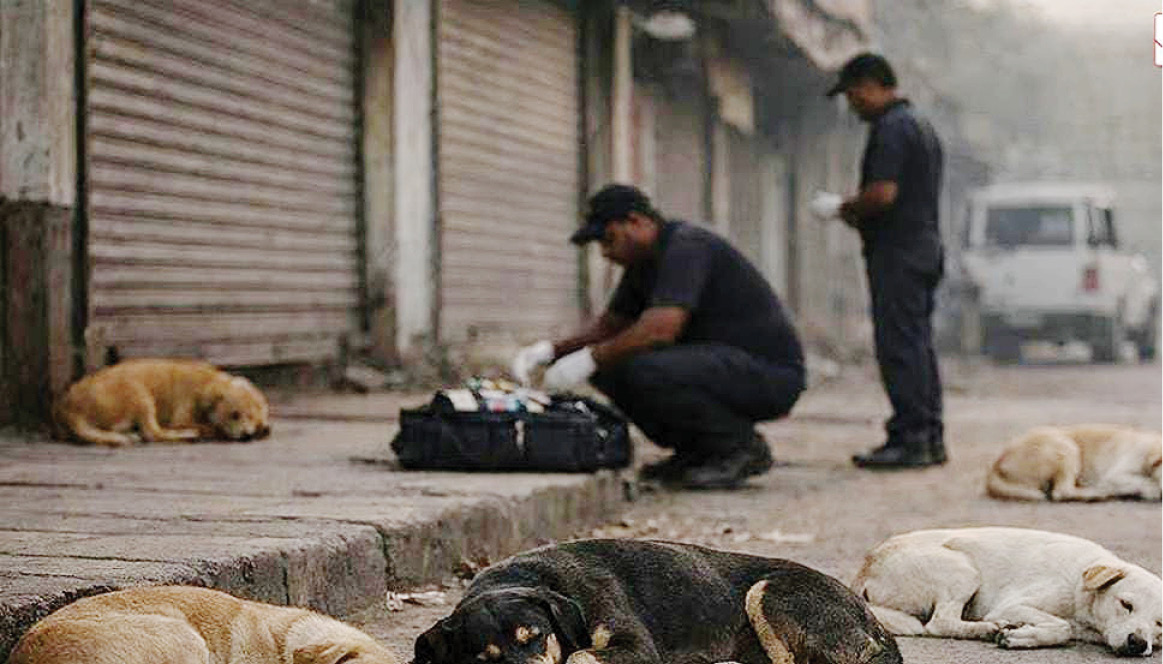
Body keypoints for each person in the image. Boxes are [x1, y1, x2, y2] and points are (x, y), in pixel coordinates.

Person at [511, 184, 806, 489]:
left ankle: (738, 448)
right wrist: (550, 352)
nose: (606, 253)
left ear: (637, 222)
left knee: (643, 370)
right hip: (721, 368)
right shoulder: (643, 264)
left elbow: (660, 331)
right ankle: (697, 451)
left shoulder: (687, 247)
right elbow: (610, 326)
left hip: (771, 374)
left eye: (608, 239)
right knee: (612, 369)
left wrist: (589, 358)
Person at [827, 53, 946, 469]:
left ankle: (911, 439)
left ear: (871, 84)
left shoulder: (891, 127)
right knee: (917, 344)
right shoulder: (919, 124)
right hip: (923, 248)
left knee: (899, 345)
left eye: (853, 94)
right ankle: (928, 436)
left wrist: (844, 207)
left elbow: (882, 194)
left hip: (899, 252)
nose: (852, 104)